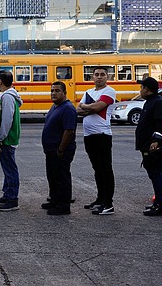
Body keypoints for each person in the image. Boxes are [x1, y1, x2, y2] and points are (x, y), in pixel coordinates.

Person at [77, 66, 116, 216]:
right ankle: (100, 199)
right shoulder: (89, 92)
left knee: (105, 169)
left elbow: (96, 107)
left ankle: (108, 204)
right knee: (97, 169)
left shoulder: (109, 91)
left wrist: (87, 107)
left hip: (102, 135)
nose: (99, 77)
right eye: (96, 75)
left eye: (102, 75)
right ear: (92, 77)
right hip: (89, 136)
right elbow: (77, 110)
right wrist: (89, 107)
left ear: (107, 77)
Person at [135, 77, 162, 216]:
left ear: (147, 89)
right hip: (147, 145)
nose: (140, 90)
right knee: (156, 173)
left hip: (152, 146)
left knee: (156, 174)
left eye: (142, 88)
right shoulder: (151, 102)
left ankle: (161, 205)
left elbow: (161, 124)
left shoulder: (158, 103)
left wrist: (157, 142)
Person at [41, 81, 77, 215]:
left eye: (57, 91)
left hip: (60, 151)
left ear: (64, 93)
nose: (54, 93)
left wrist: (61, 150)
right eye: (52, 91)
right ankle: (54, 200)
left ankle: (63, 205)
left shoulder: (67, 108)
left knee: (62, 177)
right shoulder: (55, 106)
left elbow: (69, 131)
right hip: (51, 150)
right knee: (53, 176)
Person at [0, 70, 22, 212]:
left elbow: (6, 120)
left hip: (7, 139)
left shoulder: (7, 97)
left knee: (10, 169)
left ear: (1, 82)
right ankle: (7, 193)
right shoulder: (8, 96)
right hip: (7, 138)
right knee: (7, 168)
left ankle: (12, 198)